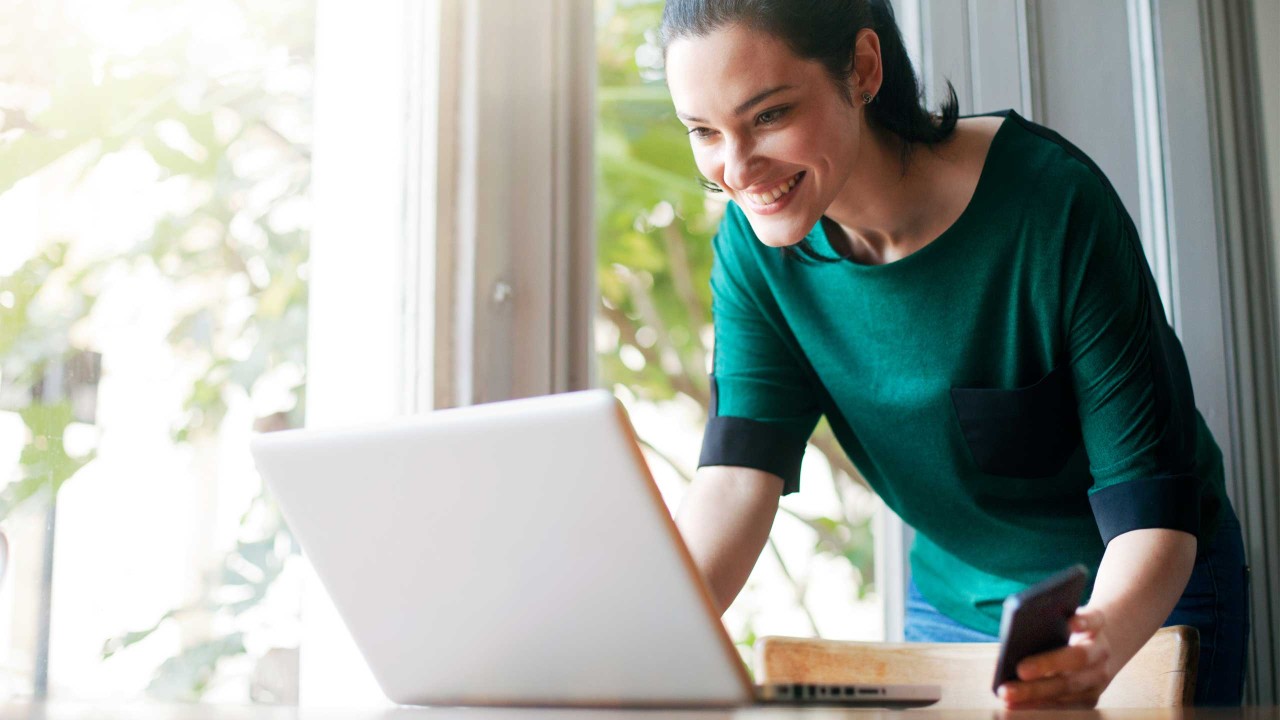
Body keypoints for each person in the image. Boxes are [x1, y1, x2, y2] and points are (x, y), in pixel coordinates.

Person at [660, 0, 1249, 708]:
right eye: (703, 131)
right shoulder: (756, 253)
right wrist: (637, 647)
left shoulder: (1051, 204)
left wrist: (1097, 645)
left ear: (863, 68)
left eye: (769, 116)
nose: (737, 168)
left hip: (1141, 593)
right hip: (952, 600)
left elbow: (1153, 507)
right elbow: (734, 482)